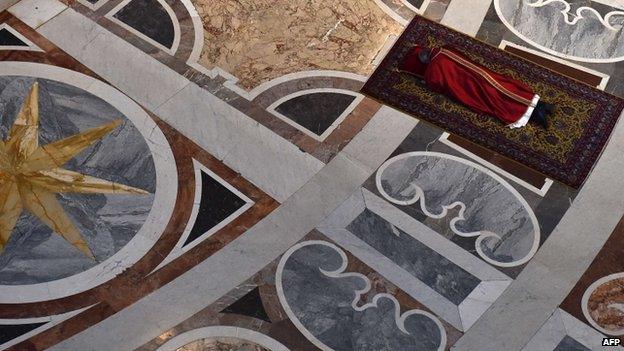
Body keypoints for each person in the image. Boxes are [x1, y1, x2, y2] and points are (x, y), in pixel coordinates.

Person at [398, 44, 554, 128]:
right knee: (502, 85)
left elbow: (442, 87)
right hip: (479, 74)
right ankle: (540, 106)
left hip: (471, 85)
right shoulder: (443, 50)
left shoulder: (432, 73)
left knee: (493, 98)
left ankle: (536, 113)